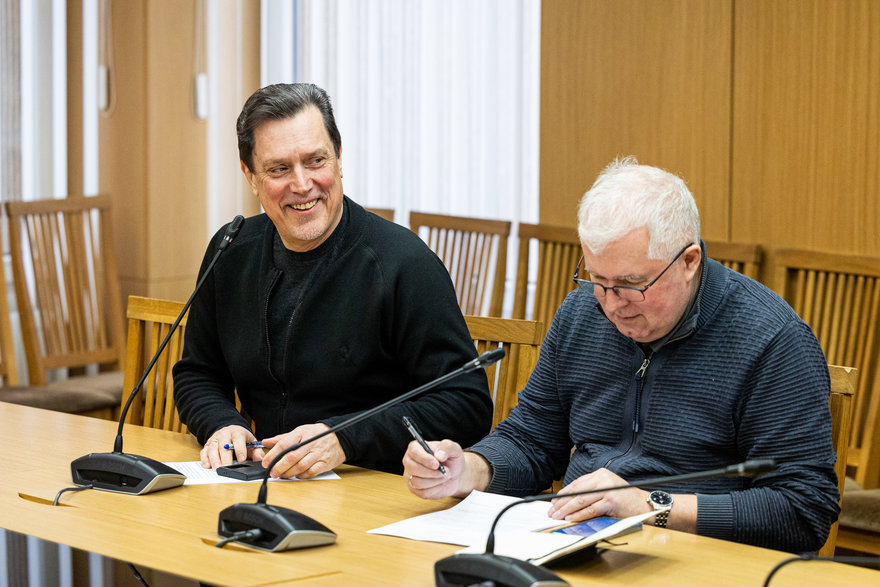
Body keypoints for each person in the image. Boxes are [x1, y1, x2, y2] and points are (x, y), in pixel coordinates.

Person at [403, 157, 839, 552]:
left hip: (701, 557)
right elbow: (532, 440)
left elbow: (803, 508)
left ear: (689, 261)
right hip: (575, 544)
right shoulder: (581, 312)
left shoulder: (771, 340)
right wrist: (469, 471)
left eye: (631, 284)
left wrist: (650, 505)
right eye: (597, 279)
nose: (611, 304)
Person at [173, 82, 493, 479]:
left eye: (315, 161)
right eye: (279, 169)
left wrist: (344, 437)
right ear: (251, 176)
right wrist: (221, 423)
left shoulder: (404, 263)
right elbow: (198, 373)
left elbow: (466, 403)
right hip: (261, 480)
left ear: (339, 158)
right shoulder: (231, 248)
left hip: (377, 486)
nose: (302, 184)